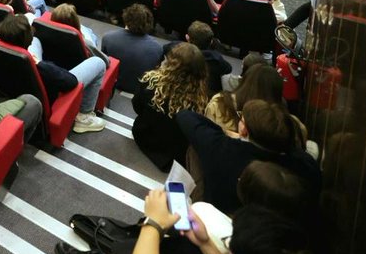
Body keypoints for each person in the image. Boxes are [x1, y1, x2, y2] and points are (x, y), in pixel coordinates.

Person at [178, 100, 320, 216]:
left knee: (195, 150)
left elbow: (185, 116)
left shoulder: (223, 148)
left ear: (244, 129)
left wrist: (225, 133)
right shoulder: (305, 165)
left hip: (222, 220)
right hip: (285, 234)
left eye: (241, 119)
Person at [131, 42, 209, 171]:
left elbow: (137, 106)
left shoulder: (151, 81)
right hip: (179, 152)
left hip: (146, 136)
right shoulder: (202, 97)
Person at [100, 4, 164, 94]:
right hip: (139, 89)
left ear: (126, 18)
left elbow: (104, 65)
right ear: (149, 23)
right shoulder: (157, 48)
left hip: (114, 84)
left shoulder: (108, 38)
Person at [165, 21, 231, 97]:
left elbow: (166, 48)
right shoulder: (216, 58)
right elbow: (228, 69)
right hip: (203, 96)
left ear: (187, 38)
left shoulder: (174, 47)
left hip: (175, 91)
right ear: (211, 42)